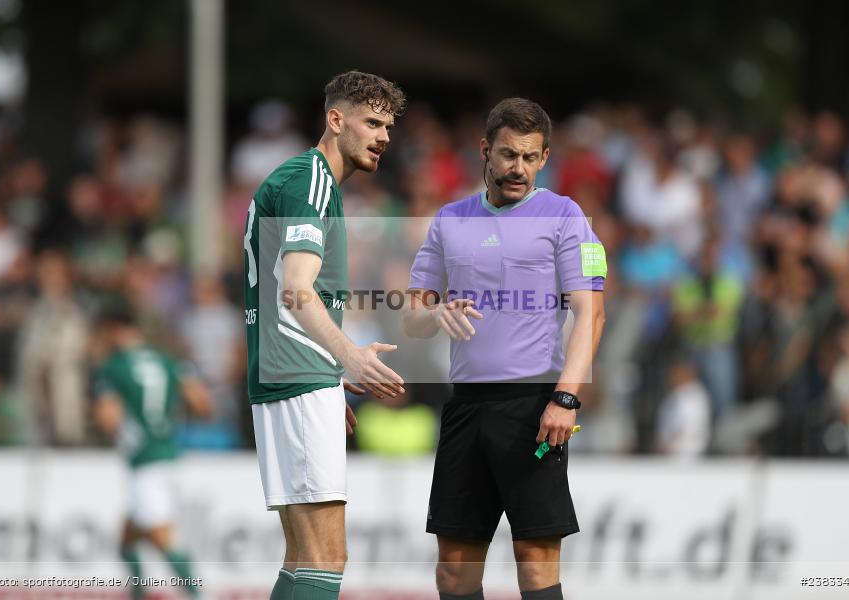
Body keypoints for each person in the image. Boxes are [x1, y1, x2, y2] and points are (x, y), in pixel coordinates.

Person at [404, 98, 607, 600]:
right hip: (467, 405)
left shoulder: (566, 215)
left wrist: (565, 398)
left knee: (535, 563)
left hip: (534, 404)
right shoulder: (450, 219)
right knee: (453, 570)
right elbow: (411, 315)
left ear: (544, 157)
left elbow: (591, 313)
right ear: (485, 151)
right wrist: (434, 314)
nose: (519, 168)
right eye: (508, 155)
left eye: (531, 157)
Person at [242, 71, 406, 599]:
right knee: (324, 557)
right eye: (373, 122)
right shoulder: (310, 180)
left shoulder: (305, 181)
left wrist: (330, 375)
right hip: (297, 375)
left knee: (302, 558)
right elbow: (296, 289)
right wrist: (348, 359)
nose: (384, 136)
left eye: (389, 126)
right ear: (335, 120)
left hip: (292, 373)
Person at [93, 303, 212, 600]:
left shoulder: (113, 367)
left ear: (112, 330)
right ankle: (138, 593)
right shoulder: (168, 360)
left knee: (161, 537)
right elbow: (202, 403)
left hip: (145, 459)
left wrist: (120, 425)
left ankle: (198, 594)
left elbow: (107, 418)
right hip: (168, 452)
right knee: (127, 539)